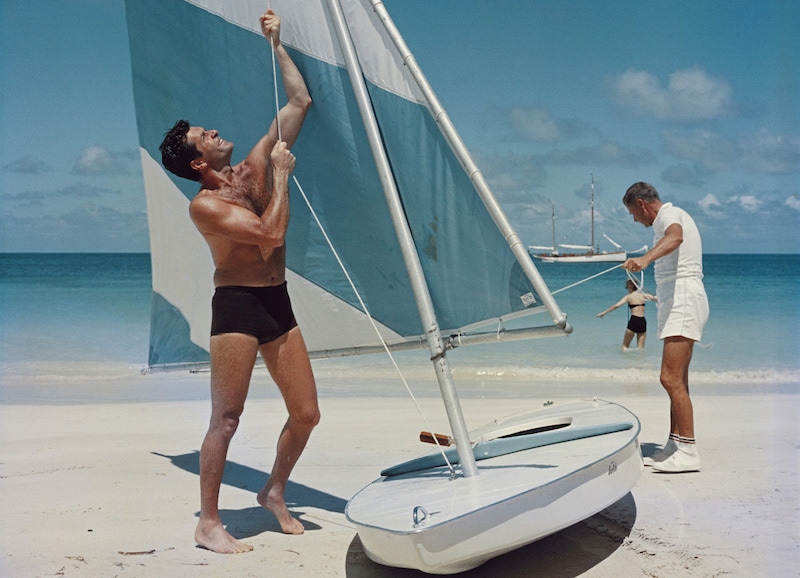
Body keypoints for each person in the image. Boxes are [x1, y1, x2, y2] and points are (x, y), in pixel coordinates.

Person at [158, 10, 317, 553]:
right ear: (198, 162)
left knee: (307, 413)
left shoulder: (250, 170)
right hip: (238, 309)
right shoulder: (206, 207)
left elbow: (298, 104)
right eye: (206, 135)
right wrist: (284, 176)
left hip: (277, 301)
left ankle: (272, 490)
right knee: (226, 419)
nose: (215, 131)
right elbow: (269, 237)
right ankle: (208, 522)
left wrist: (276, 44)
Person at [621, 182, 709, 474]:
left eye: (634, 213)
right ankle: (675, 444)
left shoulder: (671, 217)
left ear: (643, 205)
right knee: (678, 379)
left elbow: (676, 237)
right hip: (678, 300)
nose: (635, 220)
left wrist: (645, 259)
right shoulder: (665, 219)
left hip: (684, 298)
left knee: (669, 378)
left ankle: (688, 450)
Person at [596, 279, 657, 350]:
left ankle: (625, 360)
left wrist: (604, 312)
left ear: (630, 286)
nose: (626, 288)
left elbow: (616, 306)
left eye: (627, 286)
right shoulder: (643, 295)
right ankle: (641, 361)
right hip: (642, 321)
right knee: (641, 348)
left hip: (634, 320)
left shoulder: (628, 297)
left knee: (625, 346)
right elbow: (656, 298)